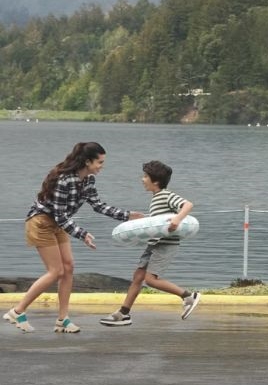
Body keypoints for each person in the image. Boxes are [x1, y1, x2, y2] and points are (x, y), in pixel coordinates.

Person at [4, 142, 143, 333]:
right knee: (55, 271)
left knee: (68, 267)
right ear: (87, 161)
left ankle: (63, 320)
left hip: (58, 223)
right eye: (100, 162)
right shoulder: (64, 179)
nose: (102, 166)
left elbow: (97, 205)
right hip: (42, 222)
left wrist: (127, 215)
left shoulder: (89, 180)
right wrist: (82, 234)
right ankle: (17, 311)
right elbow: (60, 216)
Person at [100, 161, 200, 326]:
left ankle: (189, 296)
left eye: (145, 176)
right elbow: (157, 223)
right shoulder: (156, 198)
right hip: (154, 244)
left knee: (151, 280)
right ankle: (123, 313)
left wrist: (177, 218)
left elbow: (187, 205)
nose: (142, 179)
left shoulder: (166, 195)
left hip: (166, 244)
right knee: (137, 276)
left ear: (156, 181)